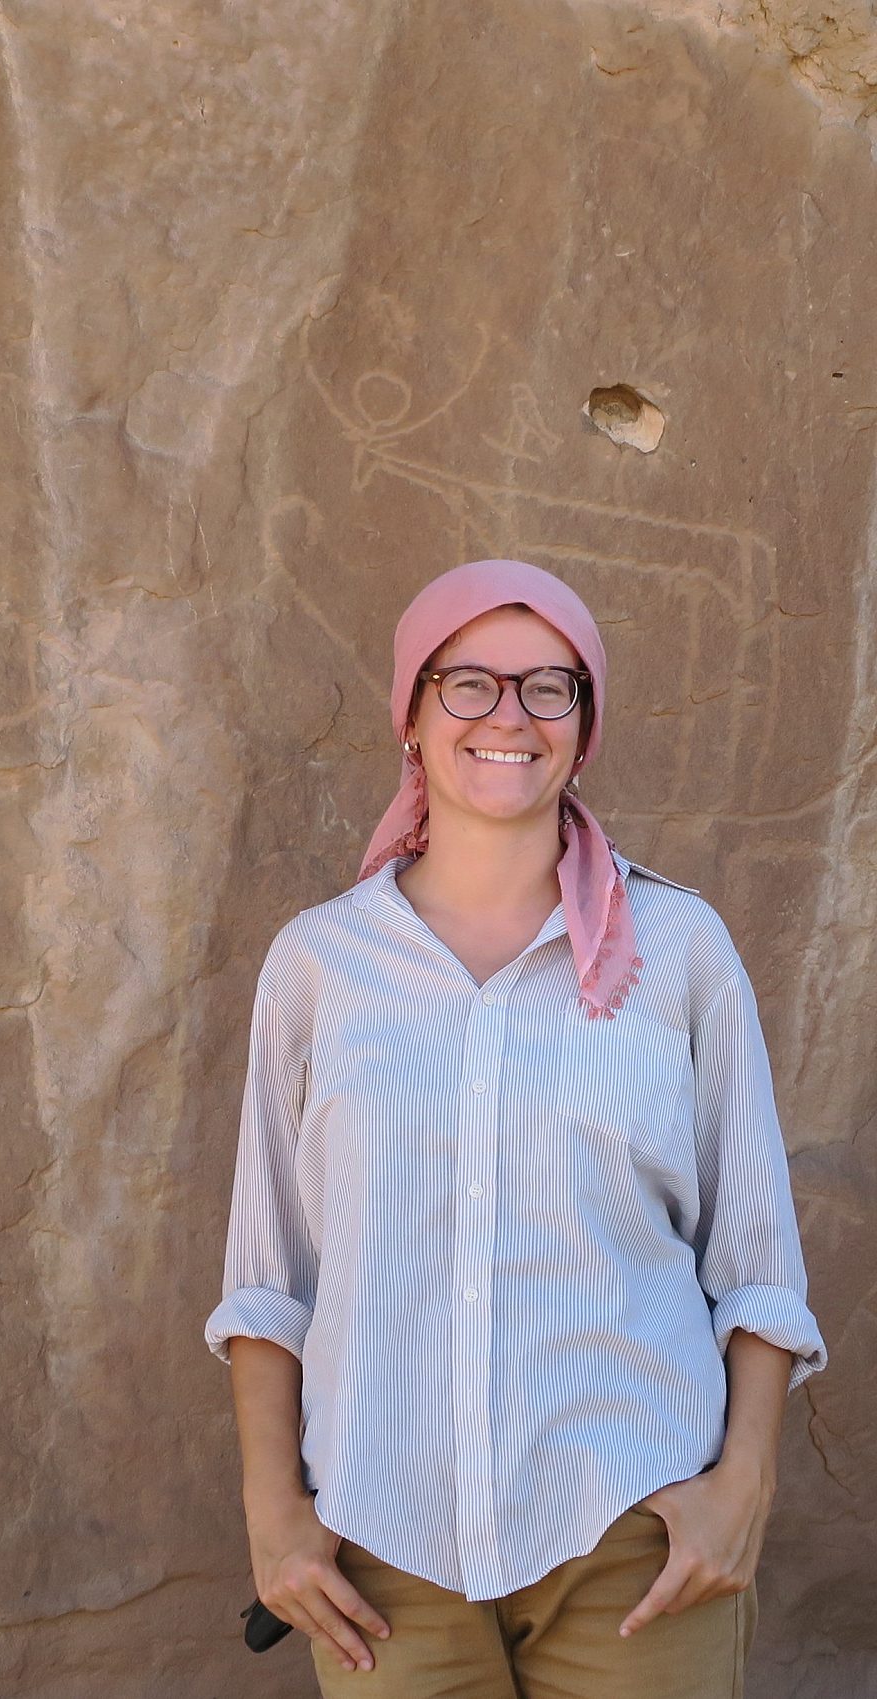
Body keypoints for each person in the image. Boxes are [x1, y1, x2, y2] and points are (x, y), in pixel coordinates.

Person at [204, 558, 827, 1698]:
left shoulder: (681, 951)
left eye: (550, 687)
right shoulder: (318, 964)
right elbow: (270, 1272)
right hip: (384, 1554)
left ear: (584, 728)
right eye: (468, 683)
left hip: (635, 1543)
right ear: (412, 713)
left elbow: (755, 1255)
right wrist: (273, 1514)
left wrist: (745, 1487)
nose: (509, 716)